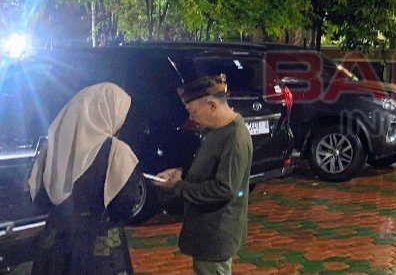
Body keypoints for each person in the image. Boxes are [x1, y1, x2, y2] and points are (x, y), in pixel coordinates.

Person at [28, 83, 146, 275]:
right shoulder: (115, 151)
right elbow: (128, 199)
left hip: (55, 244)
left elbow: (40, 198)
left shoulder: (51, 148)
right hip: (99, 248)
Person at [156, 74, 253, 275]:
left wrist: (179, 187)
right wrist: (181, 173)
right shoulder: (216, 129)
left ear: (212, 105)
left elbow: (224, 189)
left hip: (217, 234)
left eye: (193, 112)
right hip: (206, 232)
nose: (191, 118)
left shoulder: (235, 138)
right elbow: (208, 167)